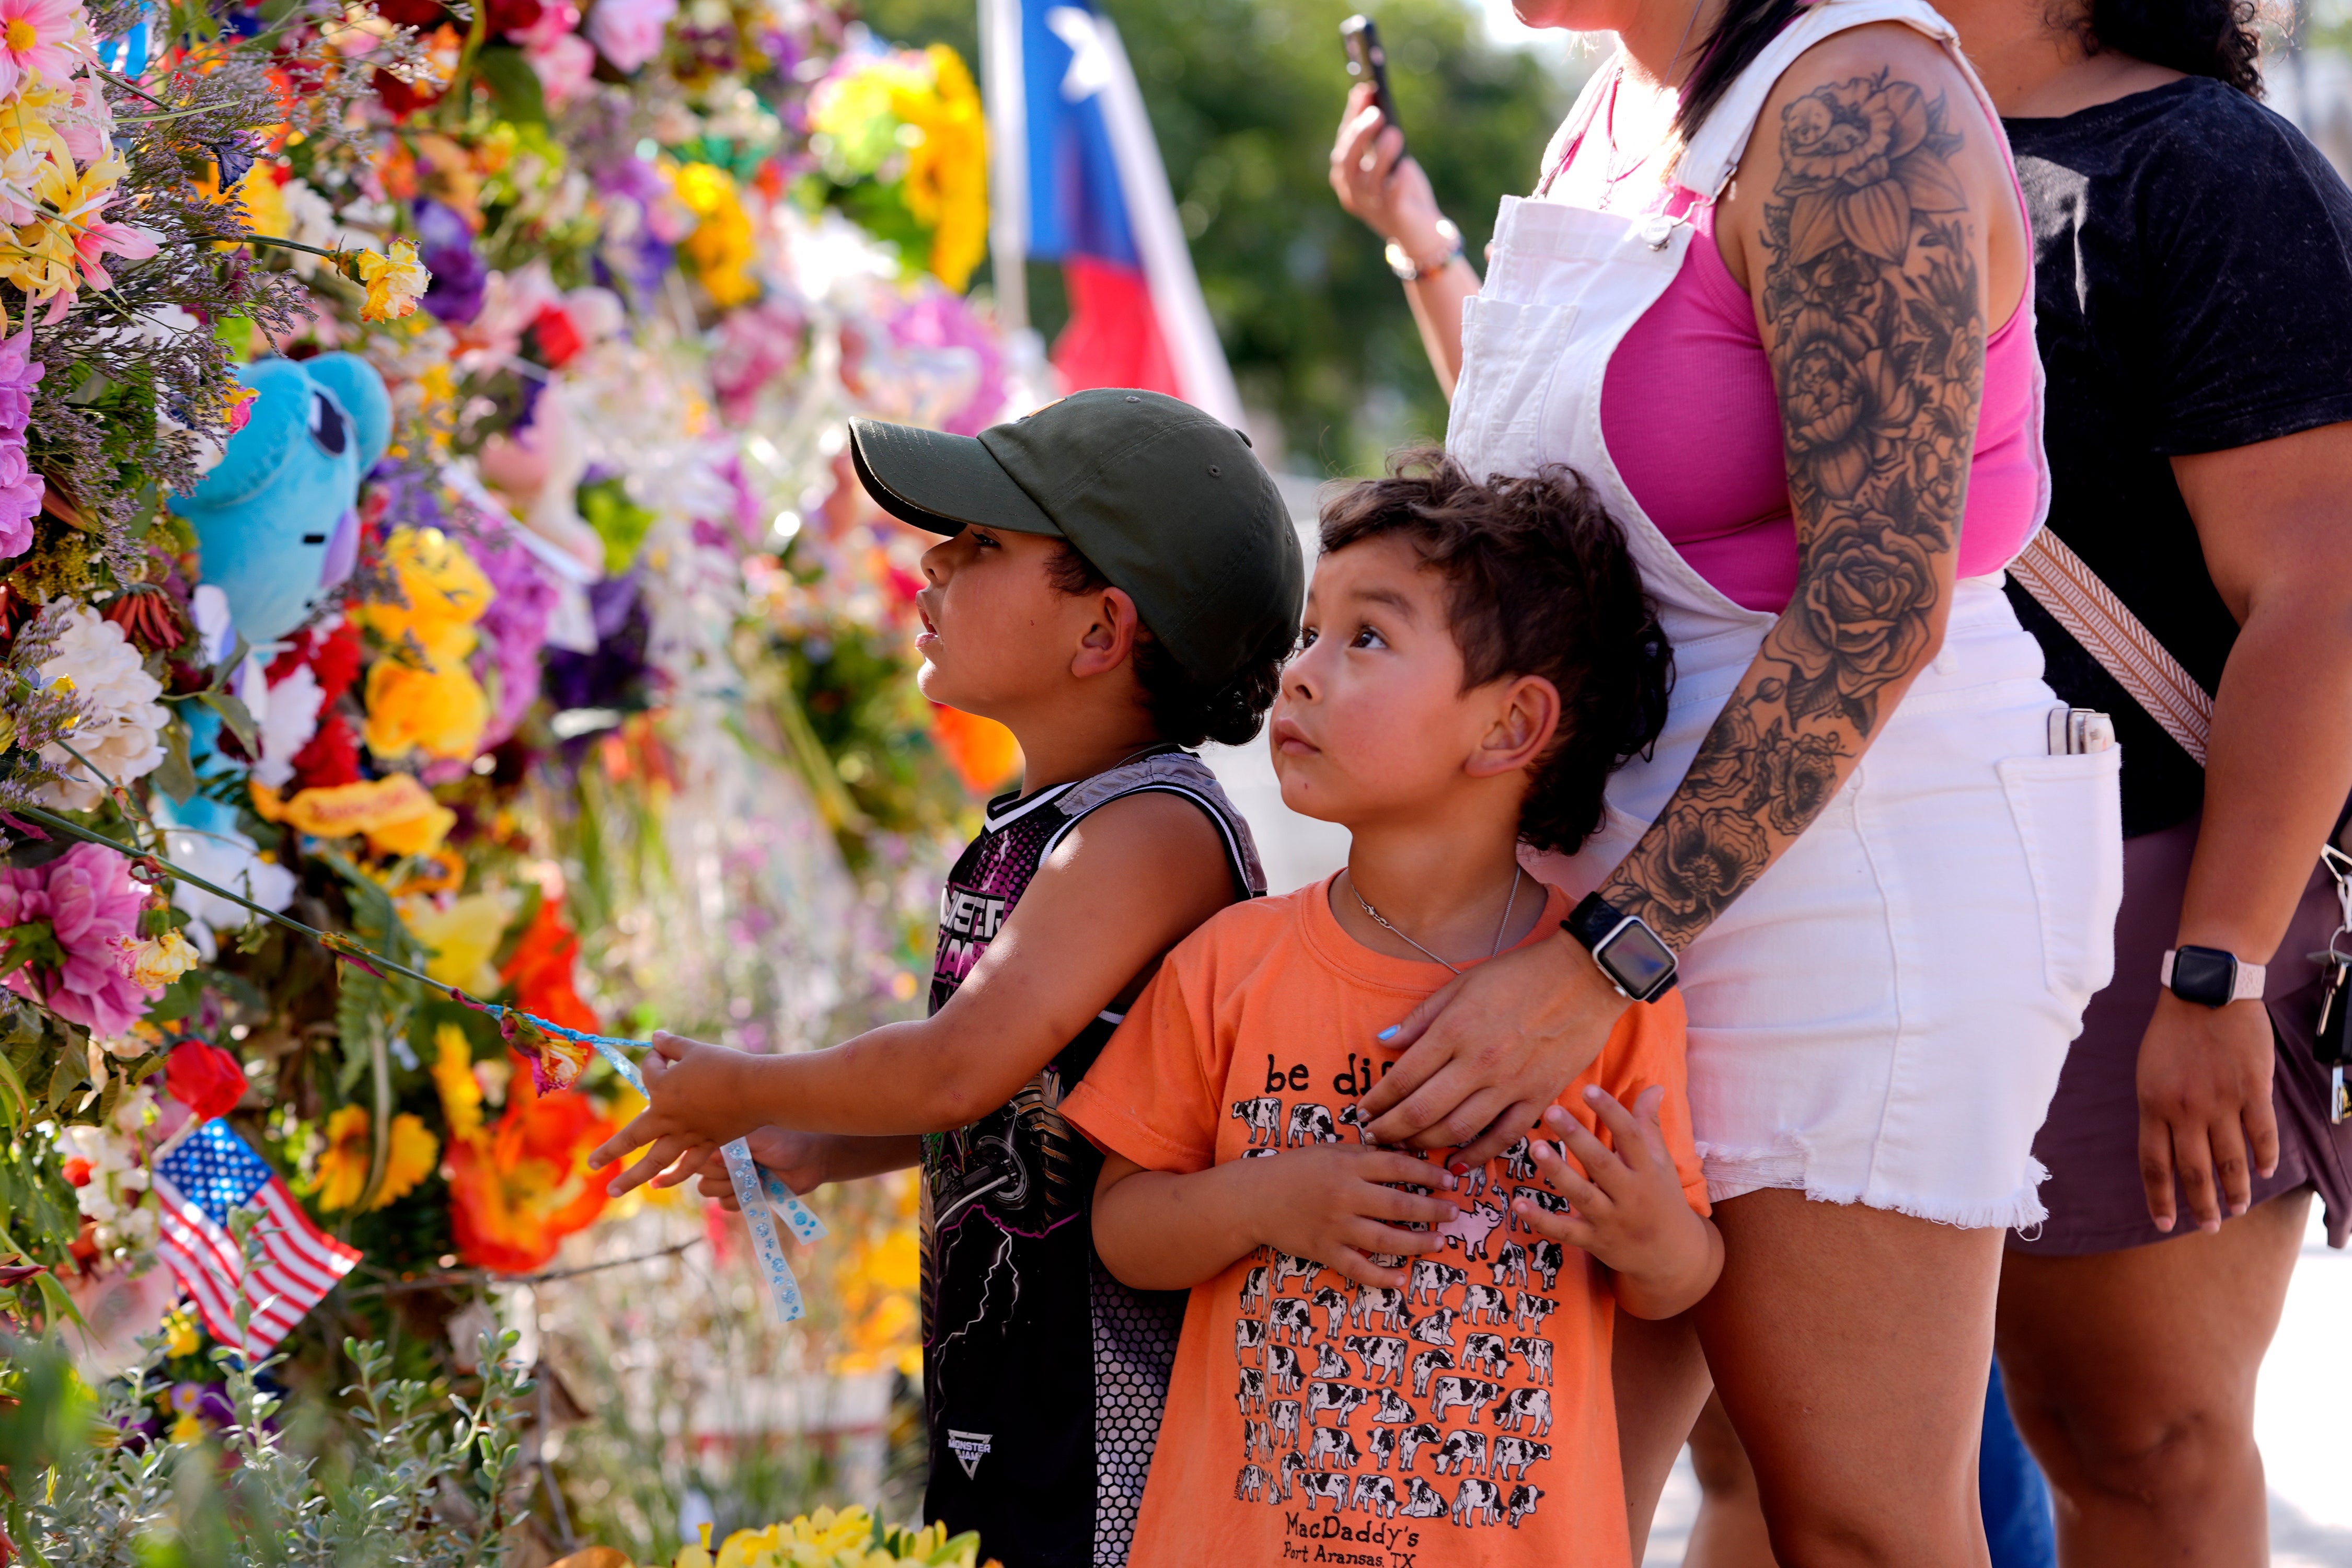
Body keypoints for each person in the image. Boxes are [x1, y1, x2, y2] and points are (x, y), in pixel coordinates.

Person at [1329, 0, 2123, 1560]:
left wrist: (1597, 962)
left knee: (1860, 1526)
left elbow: (1874, 598)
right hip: (1612, 884)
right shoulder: (1614, 111)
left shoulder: (1856, 108)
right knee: (1545, 1509)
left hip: (1852, 879)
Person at [585, 388, 1304, 1568]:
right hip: (1010, 1371)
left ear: (1100, 633)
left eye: (980, 548)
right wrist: (825, 1143)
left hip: (1112, 1406)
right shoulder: (1054, 823)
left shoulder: (1149, 833)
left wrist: (748, 1084)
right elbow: (1036, 1093)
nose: (931, 563)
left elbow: (959, 1064)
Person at [1063, 453, 1718, 1567]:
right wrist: (1275, 1200)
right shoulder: (1230, 962)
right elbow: (1124, 1234)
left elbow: (1680, 1285)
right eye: (1310, 633)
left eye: (1365, 638)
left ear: (1511, 728)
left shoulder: (1606, 996)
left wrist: (1649, 1234)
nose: (1301, 675)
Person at [1944, 0, 2352, 1560]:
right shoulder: (1812, 134)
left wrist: (2217, 970)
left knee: (2131, 1438)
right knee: (1791, 1460)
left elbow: (2318, 598)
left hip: (2146, 888)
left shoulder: (2200, 168)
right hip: (1855, 881)